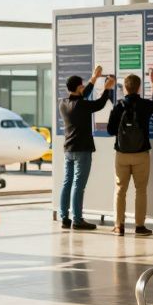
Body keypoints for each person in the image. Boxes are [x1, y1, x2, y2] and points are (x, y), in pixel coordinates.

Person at [106, 69, 153, 237]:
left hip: (121, 154)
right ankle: (139, 226)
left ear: (125, 88)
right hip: (141, 153)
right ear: (139, 88)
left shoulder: (118, 106)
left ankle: (119, 226)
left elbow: (110, 130)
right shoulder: (144, 105)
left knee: (120, 190)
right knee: (141, 190)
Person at [58, 66, 114, 231]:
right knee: (78, 185)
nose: (84, 87)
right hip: (82, 150)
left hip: (68, 149)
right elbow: (99, 104)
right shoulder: (82, 105)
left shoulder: (63, 103)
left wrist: (93, 78)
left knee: (67, 183)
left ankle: (64, 218)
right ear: (78, 88)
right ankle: (78, 220)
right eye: (82, 86)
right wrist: (107, 89)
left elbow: (83, 95)